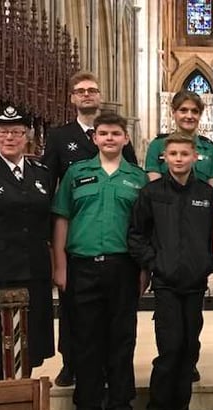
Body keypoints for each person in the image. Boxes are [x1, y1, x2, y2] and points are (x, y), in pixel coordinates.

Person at [52, 112, 148, 410]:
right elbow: (62, 218)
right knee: (85, 339)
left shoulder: (137, 178)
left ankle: (121, 407)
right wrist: (60, 266)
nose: (109, 138)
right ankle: (87, 407)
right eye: (103, 133)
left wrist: (143, 271)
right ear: (94, 138)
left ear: (125, 138)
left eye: (115, 133)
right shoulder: (76, 174)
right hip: (82, 266)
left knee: (122, 339)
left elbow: (145, 229)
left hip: (123, 266)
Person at [42, 70, 138, 387]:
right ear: (72, 97)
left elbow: (135, 182)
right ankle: (71, 363)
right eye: (80, 90)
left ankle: (110, 373)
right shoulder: (59, 136)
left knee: (115, 323)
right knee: (74, 313)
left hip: (115, 248)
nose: (86, 95)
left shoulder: (119, 139)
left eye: (92, 90)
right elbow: (49, 185)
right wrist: (55, 251)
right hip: (78, 240)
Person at [127, 133, 213, 410]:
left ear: (195, 157)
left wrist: (207, 263)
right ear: (164, 157)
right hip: (165, 284)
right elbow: (136, 234)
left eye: (184, 154)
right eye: (173, 154)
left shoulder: (206, 194)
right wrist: (154, 262)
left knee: (189, 351)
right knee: (169, 350)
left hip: (194, 285)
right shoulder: (152, 192)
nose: (179, 158)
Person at [0, 105, 54, 381]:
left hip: (32, 271)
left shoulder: (41, 173)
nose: (9, 137)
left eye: (16, 132)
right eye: (3, 132)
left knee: (27, 343)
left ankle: (23, 404)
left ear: (27, 136)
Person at [145, 90, 213, 186]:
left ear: (200, 115)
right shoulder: (157, 146)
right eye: (183, 110)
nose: (189, 116)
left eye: (194, 111)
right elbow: (154, 187)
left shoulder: (210, 149)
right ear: (173, 112)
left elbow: (212, 190)